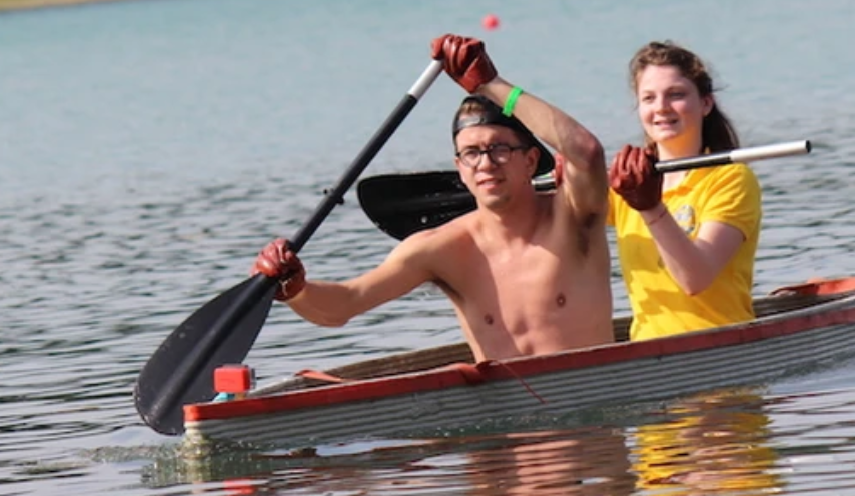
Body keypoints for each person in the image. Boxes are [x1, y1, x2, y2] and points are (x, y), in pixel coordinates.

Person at [252, 34, 615, 361]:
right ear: (459, 167)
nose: (485, 164)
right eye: (472, 153)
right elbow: (344, 305)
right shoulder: (440, 249)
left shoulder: (572, 217)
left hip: (594, 427)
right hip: (511, 432)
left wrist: (491, 84)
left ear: (531, 160)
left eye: (499, 149)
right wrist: (295, 288)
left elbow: (585, 150)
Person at [607, 41, 761, 341]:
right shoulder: (628, 182)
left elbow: (696, 278)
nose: (661, 107)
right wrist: (499, 90)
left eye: (676, 95)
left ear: (705, 103)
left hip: (722, 349)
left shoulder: (732, 179)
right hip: (648, 355)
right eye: (648, 98)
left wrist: (650, 207)